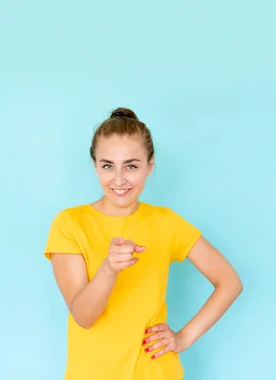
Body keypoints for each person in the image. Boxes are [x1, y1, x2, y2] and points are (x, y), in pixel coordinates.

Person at [43, 107, 243, 380]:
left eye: (132, 166)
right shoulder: (70, 224)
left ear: (150, 166)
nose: (119, 179)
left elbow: (230, 282)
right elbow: (84, 317)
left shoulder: (167, 223)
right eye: (107, 166)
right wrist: (109, 270)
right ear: (95, 166)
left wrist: (183, 338)